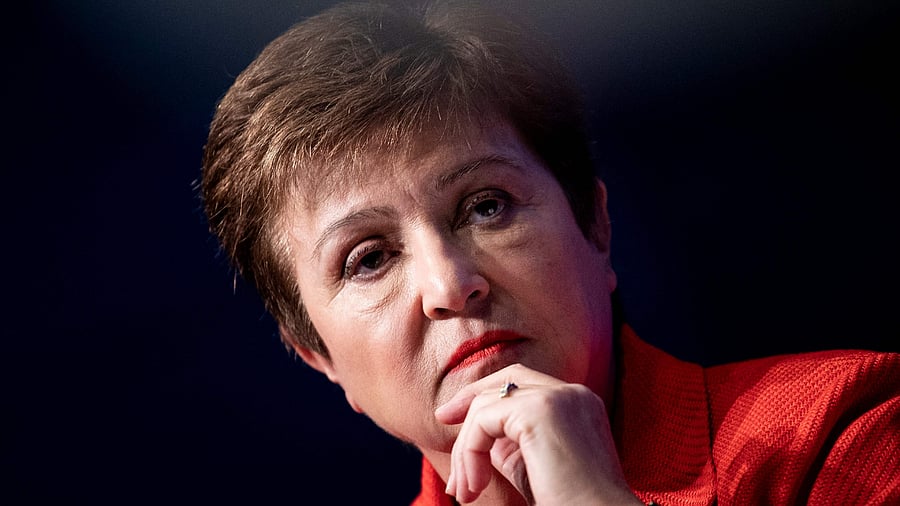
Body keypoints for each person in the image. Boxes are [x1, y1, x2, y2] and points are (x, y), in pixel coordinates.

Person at [200, 1, 899, 504]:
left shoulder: (841, 436)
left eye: (486, 206)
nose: (450, 284)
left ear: (596, 225)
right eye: (370, 258)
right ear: (318, 355)